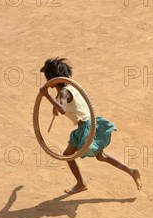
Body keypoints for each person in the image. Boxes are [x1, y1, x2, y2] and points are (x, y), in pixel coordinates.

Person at [39, 57, 142, 194]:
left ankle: (81, 183)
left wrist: (47, 96)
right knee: (101, 156)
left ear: (52, 77)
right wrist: (55, 106)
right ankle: (131, 171)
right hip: (92, 123)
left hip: (85, 128)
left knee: (67, 154)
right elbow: (66, 106)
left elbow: (63, 109)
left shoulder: (63, 92)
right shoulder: (69, 88)